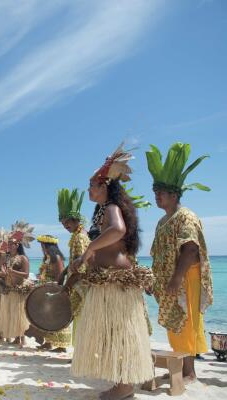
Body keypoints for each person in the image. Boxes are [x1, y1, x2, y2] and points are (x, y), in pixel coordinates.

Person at [70, 143, 153, 400]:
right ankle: (121, 383)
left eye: (92, 185)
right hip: (106, 279)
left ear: (104, 186)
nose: (88, 190)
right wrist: (87, 256)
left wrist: (89, 250)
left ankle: (125, 385)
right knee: (111, 332)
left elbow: (118, 231)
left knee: (118, 332)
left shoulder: (111, 209)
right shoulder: (100, 211)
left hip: (115, 280)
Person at [147, 142, 213, 382]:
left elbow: (190, 249)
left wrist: (176, 277)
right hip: (170, 281)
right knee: (174, 324)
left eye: (160, 193)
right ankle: (177, 368)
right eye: (155, 193)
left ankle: (189, 372)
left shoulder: (185, 216)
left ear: (174, 195)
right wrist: (153, 281)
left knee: (186, 321)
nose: (156, 197)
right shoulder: (163, 221)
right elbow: (159, 253)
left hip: (185, 277)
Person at [57, 188, 90, 351]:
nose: (66, 226)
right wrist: (64, 273)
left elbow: (79, 269)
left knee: (80, 318)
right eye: (63, 224)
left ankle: (80, 354)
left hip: (80, 287)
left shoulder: (79, 238)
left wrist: (67, 286)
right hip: (83, 286)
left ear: (75, 219)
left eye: (67, 222)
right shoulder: (83, 235)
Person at [0, 221, 34, 348]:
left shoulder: (23, 258)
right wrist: (2, 274)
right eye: (9, 244)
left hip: (19, 290)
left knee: (19, 315)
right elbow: (0, 270)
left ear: (17, 245)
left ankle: (22, 338)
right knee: (12, 314)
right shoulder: (6, 258)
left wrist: (13, 272)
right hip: (9, 289)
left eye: (12, 244)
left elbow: (26, 274)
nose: (10, 246)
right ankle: (16, 337)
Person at [36, 235, 71, 352]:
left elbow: (60, 275)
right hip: (45, 290)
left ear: (47, 246)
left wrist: (55, 290)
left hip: (53, 291)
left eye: (42, 245)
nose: (41, 247)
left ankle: (62, 345)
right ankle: (48, 342)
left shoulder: (56, 257)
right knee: (47, 317)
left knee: (57, 316)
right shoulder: (47, 258)